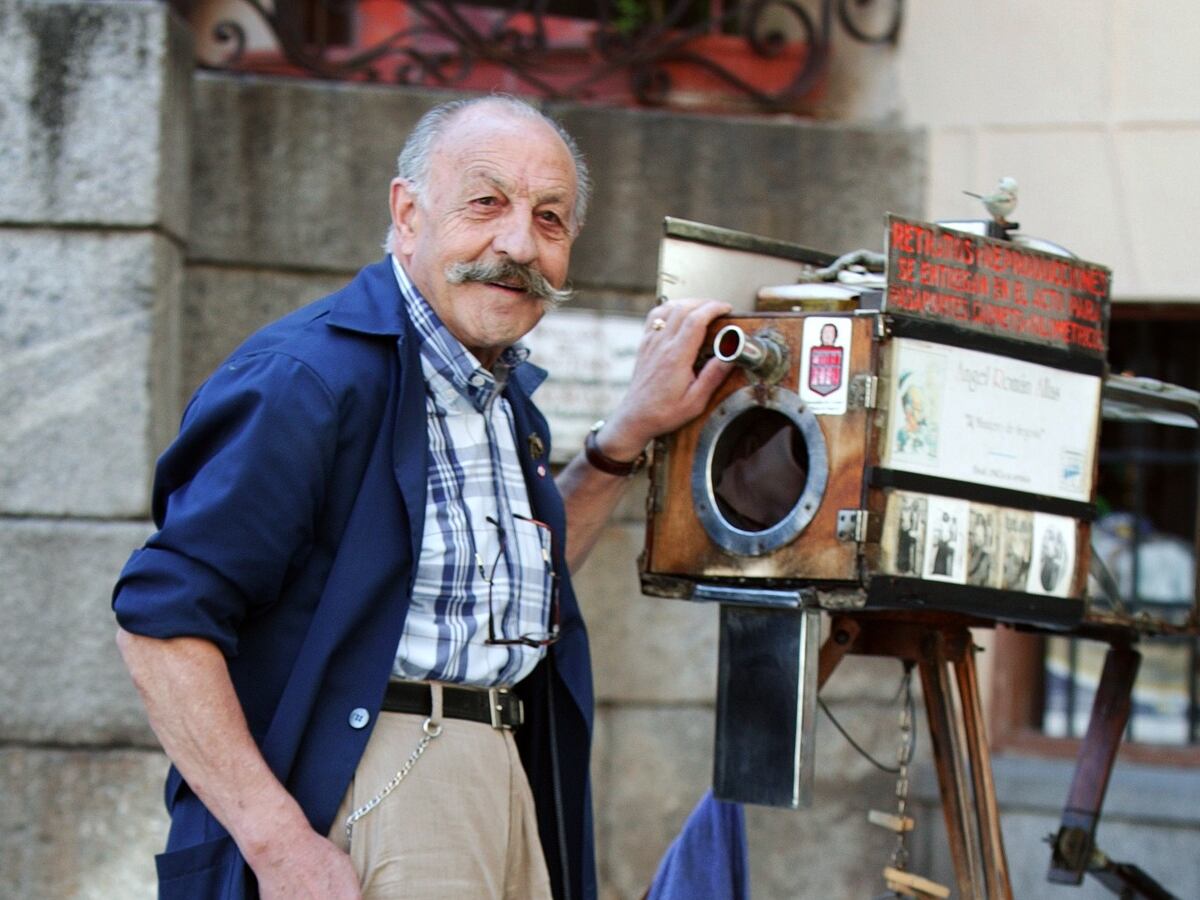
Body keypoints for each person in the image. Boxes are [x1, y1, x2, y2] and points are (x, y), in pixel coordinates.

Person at [111, 96, 732, 900]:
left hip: (507, 772)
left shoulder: (500, 396)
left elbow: (518, 581)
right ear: (407, 213)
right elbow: (161, 620)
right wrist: (278, 842)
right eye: (486, 202)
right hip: (384, 792)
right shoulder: (308, 380)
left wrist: (623, 438)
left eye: (551, 219)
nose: (517, 243)